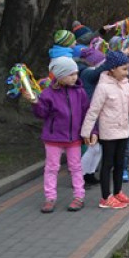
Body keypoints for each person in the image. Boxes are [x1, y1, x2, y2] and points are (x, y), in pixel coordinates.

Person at [31, 57, 90, 213]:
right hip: (53, 138)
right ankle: (50, 198)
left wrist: (91, 131)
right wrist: (35, 103)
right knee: (51, 168)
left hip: (74, 138)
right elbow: (42, 113)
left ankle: (79, 196)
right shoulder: (48, 94)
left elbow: (86, 113)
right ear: (59, 75)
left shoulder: (80, 92)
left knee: (76, 167)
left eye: (76, 73)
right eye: (70, 74)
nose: (74, 77)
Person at [80, 51, 129, 209]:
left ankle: (118, 192)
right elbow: (93, 111)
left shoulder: (126, 84)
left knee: (120, 163)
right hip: (109, 133)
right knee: (108, 164)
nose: (127, 73)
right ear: (112, 69)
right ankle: (105, 197)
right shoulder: (103, 87)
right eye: (124, 69)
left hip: (124, 130)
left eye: (127, 69)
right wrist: (86, 132)